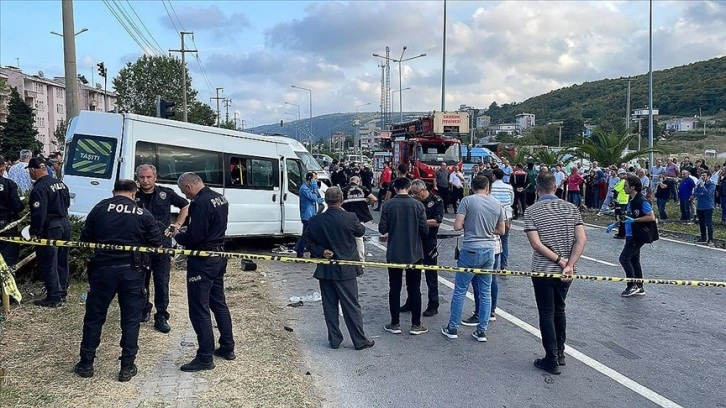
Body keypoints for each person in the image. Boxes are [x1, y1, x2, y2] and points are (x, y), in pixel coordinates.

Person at [74, 179, 163, 382]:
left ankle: (86, 364)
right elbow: (157, 243)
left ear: (114, 192)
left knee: (94, 317)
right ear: (134, 193)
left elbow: (85, 238)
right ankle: (127, 367)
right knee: (131, 320)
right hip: (133, 272)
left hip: (102, 271)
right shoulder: (142, 213)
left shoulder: (99, 209)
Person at [524, 171, 587, 375]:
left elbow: (536, 244)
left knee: (546, 312)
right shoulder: (571, 208)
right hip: (566, 271)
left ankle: (550, 358)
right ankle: (560, 353)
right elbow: (581, 239)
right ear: (556, 187)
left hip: (543, 270)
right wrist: (569, 264)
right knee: (560, 309)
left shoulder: (531, 211)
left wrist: (558, 260)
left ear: (537, 189)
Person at [171, 172, 235, 372]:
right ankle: (227, 347)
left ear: (188, 187)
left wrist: (177, 235)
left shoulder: (199, 203)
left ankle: (205, 357)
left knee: (199, 309)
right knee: (218, 303)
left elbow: (195, 237)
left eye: (184, 192)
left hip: (203, 260)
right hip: (218, 256)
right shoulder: (219, 197)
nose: (185, 195)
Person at [303, 187, 375, 351]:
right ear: (341, 200)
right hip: (346, 269)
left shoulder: (316, 220)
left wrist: (321, 251)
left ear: (326, 201)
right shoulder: (350, 217)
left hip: (326, 269)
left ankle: (334, 339)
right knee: (351, 306)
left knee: (330, 307)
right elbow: (361, 231)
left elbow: (306, 241)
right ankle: (359, 340)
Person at [442, 176, 505, 343]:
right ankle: (482, 330)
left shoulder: (467, 201)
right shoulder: (497, 203)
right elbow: (501, 230)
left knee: (460, 290)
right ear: (487, 187)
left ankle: (452, 327)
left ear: (472, 187)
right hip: (489, 249)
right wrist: (487, 229)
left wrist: (469, 225)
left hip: (470, 248)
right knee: (485, 292)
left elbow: (457, 226)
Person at [135, 164, 190, 333]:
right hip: (141, 243)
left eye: (149, 177)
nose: (145, 180)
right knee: (140, 280)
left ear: (155, 177)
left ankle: (161, 316)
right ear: (137, 178)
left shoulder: (165, 193)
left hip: (162, 244)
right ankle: (144, 309)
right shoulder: (133, 194)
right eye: (142, 177)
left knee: (161, 281)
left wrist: (177, 225)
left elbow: (185, 205)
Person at [378, 177, 429, 336]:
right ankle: (416, 324)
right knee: (414, 288)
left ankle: (395, 323)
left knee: (394, 287)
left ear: (395, 188)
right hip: (414, 252)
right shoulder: (418, 205)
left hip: (394, 252)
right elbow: (425, 230)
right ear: (409, 187)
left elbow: (382, 229)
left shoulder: (388, 205)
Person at [28, 157, 71, 307]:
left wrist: (35, 231)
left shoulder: (39, 188)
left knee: (49, 261)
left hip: (51, 226)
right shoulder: (60, 184)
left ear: (33, 170)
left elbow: (39, 213)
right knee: (62, 259)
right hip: (65, 223)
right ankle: (62, 291)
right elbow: (67, 203)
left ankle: (54, 296)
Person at [401, 179, 444, 317]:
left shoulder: (436, 200)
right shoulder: (413, 201)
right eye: (412, 193)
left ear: (423, 189)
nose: (415, 195)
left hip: (429, 241)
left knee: (431, 274)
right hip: (414, 240)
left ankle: (433, 304)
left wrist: (420, 222)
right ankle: (411, 301)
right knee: (412, 273)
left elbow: (437, 221)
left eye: (416, 193)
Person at [617, 175, 655, 297]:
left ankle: (632, 285)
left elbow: (651, 216)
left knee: (624, 258)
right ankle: (639, 286)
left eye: (626, 186)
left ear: (633, 187)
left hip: (637, 234)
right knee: (634, 260)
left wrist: (635, 220)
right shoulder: (632, 200)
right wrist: (616, 223)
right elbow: (629, 215)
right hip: (630, 234)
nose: (624, 188)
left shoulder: (641, 201)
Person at [341, 176, 377, 261]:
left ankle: (348, 258)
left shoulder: (344, 190)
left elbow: (339, 203)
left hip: (348, 217)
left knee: (347, 238)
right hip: (360, 218)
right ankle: (361, 260)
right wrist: (367, 203)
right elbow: (374, 199)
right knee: (359, 239)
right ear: (358, 181)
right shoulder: (363, 189)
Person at [0, 156, 24, 268]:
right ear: (2, 168)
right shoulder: (9, 184)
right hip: (6, 225)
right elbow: (17, 206)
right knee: (8, 257)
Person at [295, 172, 324, 258]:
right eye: (315, 179)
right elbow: (313, 198)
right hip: (307, 216)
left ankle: (312, 252)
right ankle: (299, 251)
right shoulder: (304, 189)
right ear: (310, 179)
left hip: (312, 214)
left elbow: (318, 198)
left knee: (312, 234)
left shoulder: (310, 188)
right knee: (306, 235)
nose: (316, 181)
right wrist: (315, 188)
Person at [692, 170, 716, 246]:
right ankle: (703, 237)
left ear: (708, 176)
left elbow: (708, 193)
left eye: (704, 175)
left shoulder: (711, 184)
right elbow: (695, 193)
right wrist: (701, 193)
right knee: (701, 223)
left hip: (708, 206)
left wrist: (703, 187)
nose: (702, 177)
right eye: (701, 175)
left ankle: (710, 239)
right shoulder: (700, 183)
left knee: (708, 223)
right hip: (700, 206)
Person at [612, 169, 629, 239]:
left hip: (621, 202)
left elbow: (616, 189)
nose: (622, 175)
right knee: (621, 217)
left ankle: (622, 234)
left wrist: (614, 188)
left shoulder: (623, 181)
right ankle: (621, 232)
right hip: (622, 201)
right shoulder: (621, 181)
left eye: (623, 174)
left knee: (620, 217)